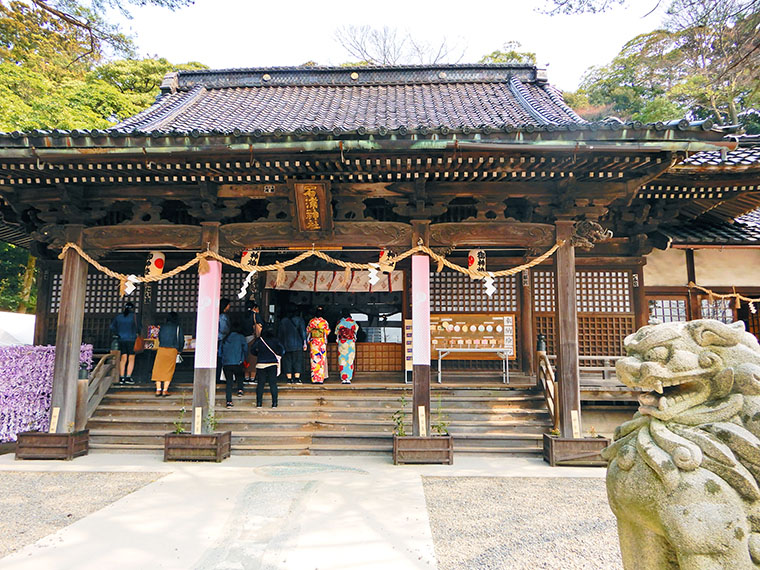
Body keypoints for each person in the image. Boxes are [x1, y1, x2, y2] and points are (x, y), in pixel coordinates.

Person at [151, 311, 183, 397]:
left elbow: (160, 338)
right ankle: (165, 390)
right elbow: (180, 339)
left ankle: (158, 390)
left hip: (161, 349)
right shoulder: (177, 328)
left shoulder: (163, 327)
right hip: (172, 349)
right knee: (169, 369)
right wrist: (180, 349)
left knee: (158, 368)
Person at [250, 328, 284, 407]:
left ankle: (259, 403)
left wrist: (258, 355)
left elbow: (252, 350)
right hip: (272, 363)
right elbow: (282, 350)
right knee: (273, 384)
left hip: (261, 363)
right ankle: (274, 403)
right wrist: (278, 355)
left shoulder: (259, 340)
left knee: (260, 384)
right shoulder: (275, 340)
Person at [219, 318, 249, 408]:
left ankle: (229, 401)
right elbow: (245, 349)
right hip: (237, 361)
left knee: (229, 382)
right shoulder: (241, 337)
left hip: (227, 363)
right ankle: (240, 389)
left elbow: (220, 352)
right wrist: (244, 358)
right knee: (240, 376)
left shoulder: (225, 338)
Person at [110, 301, 139, 385]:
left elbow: (112, 327)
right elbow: (139, 327)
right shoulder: (134, 317)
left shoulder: (119, 317)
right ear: (133, 309)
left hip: (121, 339)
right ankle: (128, 377)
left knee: (123, 358)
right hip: (132, 339)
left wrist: (118, 333)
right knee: (131, 358)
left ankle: (122, 377)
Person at [278, 305, 307, 384]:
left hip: (286, 344)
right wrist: (305, 343)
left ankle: (289, 379)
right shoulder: (299, 320)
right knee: (297, 361)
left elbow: (280, 334)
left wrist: (280, 344)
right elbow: (303, 332)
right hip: (297, 344)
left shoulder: (283, 321)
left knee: (287, 361)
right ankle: (297, 378)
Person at [306, 306, 330, 384]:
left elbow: (308, 331)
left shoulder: (311, 321)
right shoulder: (324, 322)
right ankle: (320, 379)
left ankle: (314, 378)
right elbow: (327, 332)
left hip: (314, 342)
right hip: (321, 342)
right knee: (321, 361)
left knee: (314, 360)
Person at [335, 309, 359, 384]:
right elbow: (356, 330)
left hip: (342, 343)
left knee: (342, 360)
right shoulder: (353, 322)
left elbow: (336, 332)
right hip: (350, 343)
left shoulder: (340, 322)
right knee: (350, 360)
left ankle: (343, 378)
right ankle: (348, 378)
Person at [242, 300, 263, 382]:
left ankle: (246, 377)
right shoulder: (255, 315)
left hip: (243, 338)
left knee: (245, 358)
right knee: (253, 359)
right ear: (254, 307)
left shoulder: (242, 316)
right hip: (253, 338)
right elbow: (261, 325)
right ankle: (252, 378)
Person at [216, 297, 231, 384]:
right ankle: (219, 377)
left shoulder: (217, 315)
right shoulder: (223, 317)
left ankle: (218, 377)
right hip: (221, 339)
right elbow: (224, 329)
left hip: (217, 339)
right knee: (220, 359)